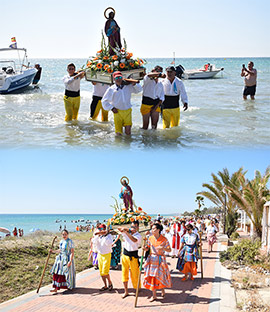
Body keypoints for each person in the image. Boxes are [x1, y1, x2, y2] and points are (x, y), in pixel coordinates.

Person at [102, 71, 142, 135]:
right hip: (117, 112)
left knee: (128, 132)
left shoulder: (128, 86)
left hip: (127, 111)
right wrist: (112, 108)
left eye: (120, 77)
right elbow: (104, 101)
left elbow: (139, 90)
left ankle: (128, 144)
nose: (118, 79)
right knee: (118, 133)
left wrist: (134, 84)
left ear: (122, 78)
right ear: (114, 79)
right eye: (116, 78)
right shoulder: (111, 89)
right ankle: (119, 144)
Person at [143, 223, 172, 302]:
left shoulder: (164, 239)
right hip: (152, 259)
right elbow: (147, 248)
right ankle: (154, 295)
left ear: (158, 230)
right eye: (152, 229)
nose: (152, 230)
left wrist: (163, 248)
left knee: (160, 276)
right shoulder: (150, 238)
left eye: (154, 229)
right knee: (152, 277)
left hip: (160, 260)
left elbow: (169, 250)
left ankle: (162, 290)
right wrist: (145, 248)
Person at [118, 221, 142, 299]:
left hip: (133, 257)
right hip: (125, 255)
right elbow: (119, 228)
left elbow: (134, 240)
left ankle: (137, 288)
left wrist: (127, 232)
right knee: (124, 274)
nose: (133, 229)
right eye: (132, 227)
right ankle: (126, 291)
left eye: (135, 227)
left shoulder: (138, 235)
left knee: (135, 274)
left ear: (138, 227)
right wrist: (127, 229)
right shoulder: (127, 231)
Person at [92, 224, 114, 291]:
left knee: (105, 271)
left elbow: (109, 243)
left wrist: (105, 235)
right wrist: (97, 235)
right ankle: (105, 285)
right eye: (101, 229)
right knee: (101, 272)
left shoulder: (109, 236)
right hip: (100, 254)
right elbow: (94, 242)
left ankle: (110, 282)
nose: (102, 231)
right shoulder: (98, 236)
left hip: (106, 254)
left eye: (103, 229)